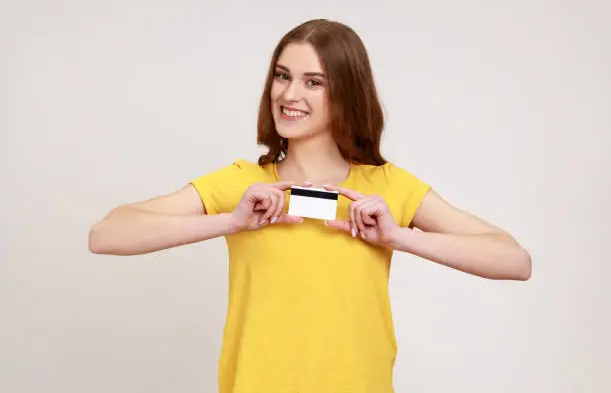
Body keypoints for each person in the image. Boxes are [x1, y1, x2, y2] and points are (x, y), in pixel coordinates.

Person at [89, 19, 532, 393]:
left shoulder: (387, 188)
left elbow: (514, 260)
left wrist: (399, 237)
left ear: (346, 94)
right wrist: (231, 222)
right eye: (282, 76)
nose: (288, 94)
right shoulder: (245, 184)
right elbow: (106, 234)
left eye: (313, 82)